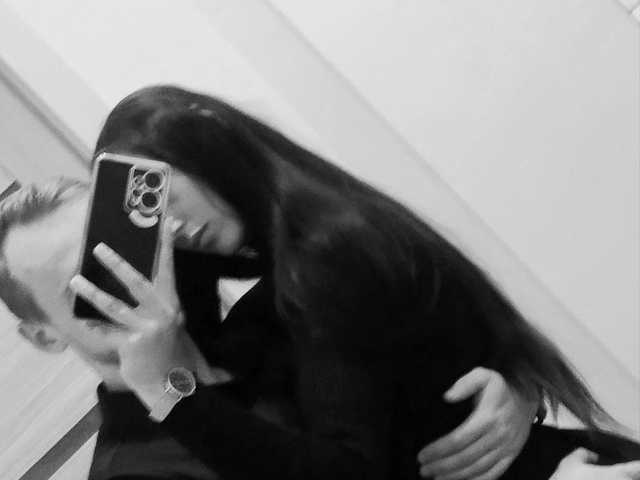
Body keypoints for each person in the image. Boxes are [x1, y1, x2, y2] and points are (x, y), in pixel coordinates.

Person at [64, 84, 639, 479]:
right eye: (148, 212)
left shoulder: (327, 253)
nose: (170, 226)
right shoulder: (271, 277)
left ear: (209, 147)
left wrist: (169, 391)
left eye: (167, 192)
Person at [1, 180, 638, 480]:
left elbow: (445, 346)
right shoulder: (139, 476)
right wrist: (168, 385)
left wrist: (513, 389)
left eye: (123, 250)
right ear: (43, 336)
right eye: (88, 281)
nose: (129, 281)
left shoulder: (274, 319)